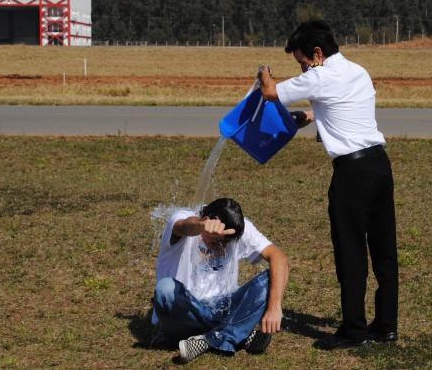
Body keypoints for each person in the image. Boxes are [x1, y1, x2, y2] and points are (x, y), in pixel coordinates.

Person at [258, 19, 398, 351]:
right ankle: (386, 326)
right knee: (383, 250)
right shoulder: (357, 71)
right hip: (379, 165)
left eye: (303, 63)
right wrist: (311, 116)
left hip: (352, 174)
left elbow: (269, 91)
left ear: (317, 54)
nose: (303, 71)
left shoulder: (319, 76)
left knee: (350, 252)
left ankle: (353, 331)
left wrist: (263, 70)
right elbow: (342, 107)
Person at [152, 197, 289, 363]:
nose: (223, 246)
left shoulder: (238, 228)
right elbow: (182, 226)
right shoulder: (186, 218)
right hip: (187, 311)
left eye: (227, 242)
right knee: (165, 290)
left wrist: (275, 307)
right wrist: (201, 226)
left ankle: (209, 339)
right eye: (218, 239)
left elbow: (279, 258)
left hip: (223, 308)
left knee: (270, 279)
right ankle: (236, 333)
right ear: (206, 219)